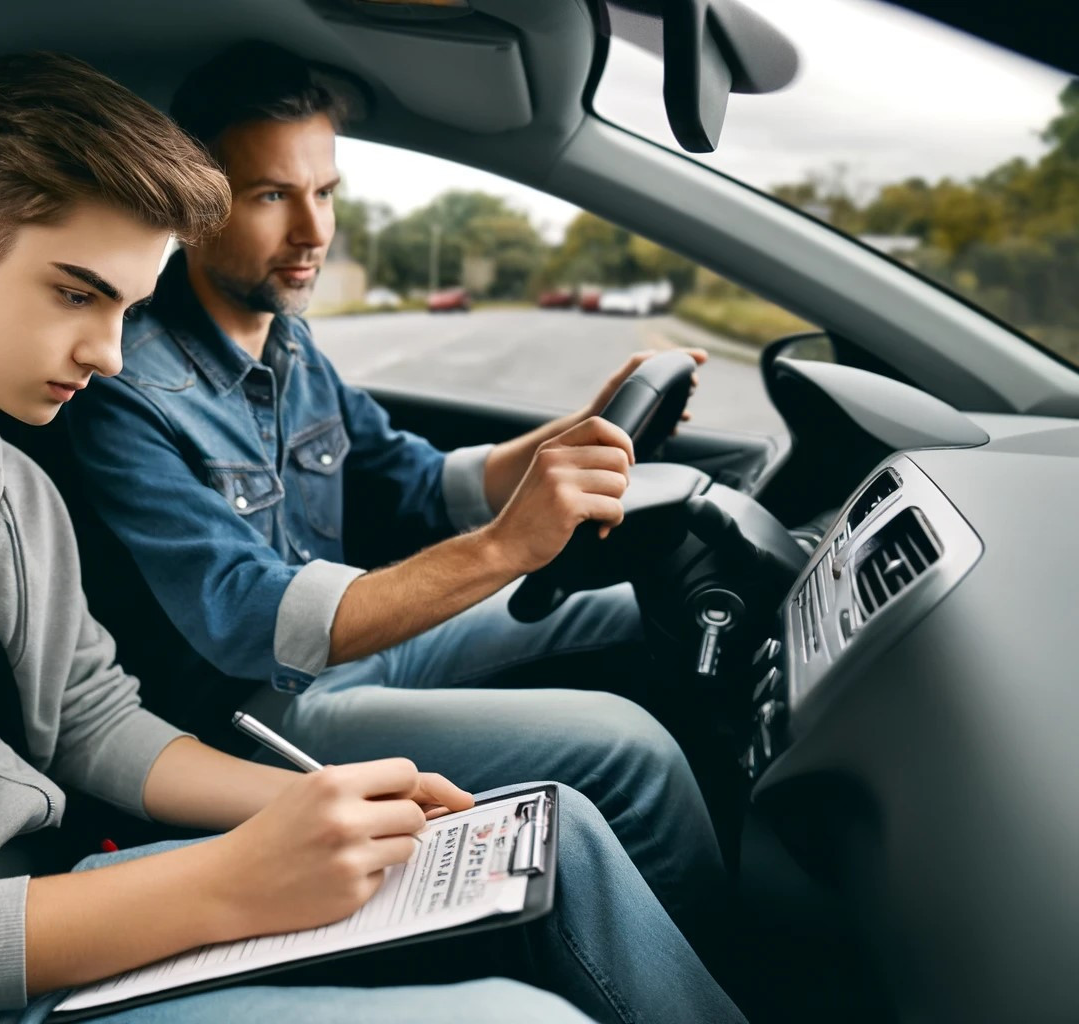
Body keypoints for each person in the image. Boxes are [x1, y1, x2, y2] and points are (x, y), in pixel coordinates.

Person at [0, 52, 743, 1024]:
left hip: (80, 888)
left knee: (554, 834)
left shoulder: (13, 480)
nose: (112, 355)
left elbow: (90, 719)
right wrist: (231, 883)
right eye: (77, 293)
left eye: (128, 306)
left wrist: (316, 805)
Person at [64, 41, 724, 938]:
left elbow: (417, 481)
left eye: (325, 192)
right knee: (634, 753)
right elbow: (249, 618)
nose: (314, 232)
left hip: (362, 653)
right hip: (256, 712)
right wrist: (504, 548)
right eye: (272, 196)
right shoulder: (122, 390)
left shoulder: (286, 341)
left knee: (639, 600)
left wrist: (579, 426)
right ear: (194, 206)